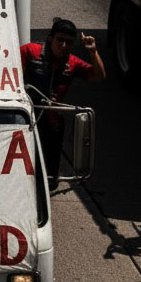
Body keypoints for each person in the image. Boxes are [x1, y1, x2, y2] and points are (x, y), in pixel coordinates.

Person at [20, 18, 105, 184]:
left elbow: (99, 76)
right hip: (28, 116)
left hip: (52, 121)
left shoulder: (72, 63)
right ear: (51, 38)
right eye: (60, 40)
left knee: (50, 175)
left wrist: (93, 51)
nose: (64, 46)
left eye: (69, 42)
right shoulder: (30, 52)